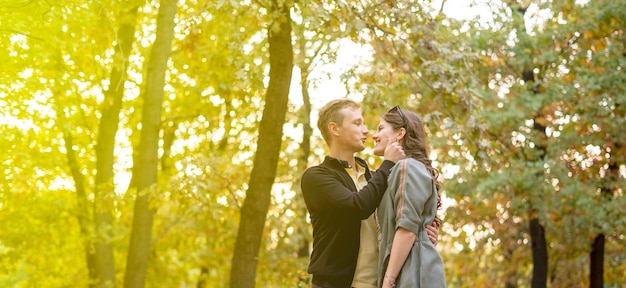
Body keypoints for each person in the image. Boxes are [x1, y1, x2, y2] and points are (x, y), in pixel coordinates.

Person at [301, 99, 439, 288]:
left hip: (379, 283)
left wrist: (422, 234)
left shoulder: (376, 178)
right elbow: (358, 206)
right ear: (335, 129)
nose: (366, 130)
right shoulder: (316, 177)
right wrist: (388, 164)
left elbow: (402, 220)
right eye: (357, 123)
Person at [373, 106, 446, 288]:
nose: (374, 135)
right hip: (411, 268)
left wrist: (388, 281)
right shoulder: (400, 171)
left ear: (400, 134)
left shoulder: (406, 167)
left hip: (412, 273)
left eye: (381, 128)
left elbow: (407, 230)